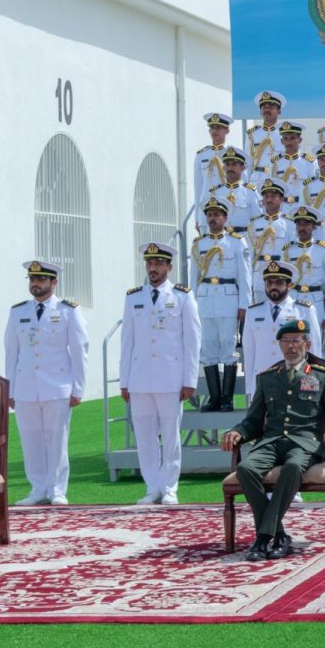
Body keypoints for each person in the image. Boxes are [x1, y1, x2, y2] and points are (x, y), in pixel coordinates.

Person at [221, 317, 325, 561]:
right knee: (246, 468)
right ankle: (279, 534)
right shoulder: (268, 377)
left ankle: (262, 537)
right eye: (286, 342)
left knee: (292, 467)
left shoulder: (323, 376)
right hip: (271, 442)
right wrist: (238, 431)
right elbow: (253, 420)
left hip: (305, 443)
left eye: (296, 342)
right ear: (279, 345)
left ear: (308, 344)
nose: (291, 347)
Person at [3, 258, 88, 507]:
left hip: (57, 386)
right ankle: (38, 488)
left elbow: (80, 350)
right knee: (31, 439)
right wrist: (11, 388)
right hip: (26, 387)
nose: (36, 284)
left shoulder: (67, 311)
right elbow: (12, 353)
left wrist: (78, 388)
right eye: (32, 279)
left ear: (54, 282)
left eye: (41, 279)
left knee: (56, 439)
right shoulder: (18, 312)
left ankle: (57, 489)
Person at [121, 243, 198, 504]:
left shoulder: (183, 296)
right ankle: (152, 486)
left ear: (169, 266)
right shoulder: (133, 297)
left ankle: (169, 487)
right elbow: (127, 341)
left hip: (170, 377)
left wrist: (189, 380)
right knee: (144, 436)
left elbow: (192, 341)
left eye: (158, 263)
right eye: (149, 263)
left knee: (171, 434)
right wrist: (124, 380)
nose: (152, 268)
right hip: (140, 377)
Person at [191, 198, 250, 411]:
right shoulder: (199, 244)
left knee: (228, 346)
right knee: (207, 347)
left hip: (228, 299)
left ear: (225, 218)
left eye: (217, 215)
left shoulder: (236, 242)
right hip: (205, 300)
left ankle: (227, 399)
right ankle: (214, 398)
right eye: (210, 215)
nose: (213, 218)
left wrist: (244, 304)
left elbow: (245, 277)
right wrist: (192, 305)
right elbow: (193, 277)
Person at [240, 258, 324, 379]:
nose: (273, 286)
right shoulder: (253, 312)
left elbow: (314, 351)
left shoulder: (304, 310)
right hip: (262, 379)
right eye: (269, 283)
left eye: (279, 283)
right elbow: (249, 353)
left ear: (289, 285)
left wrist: (312, 381)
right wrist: (250, 388)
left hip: (294, 379)